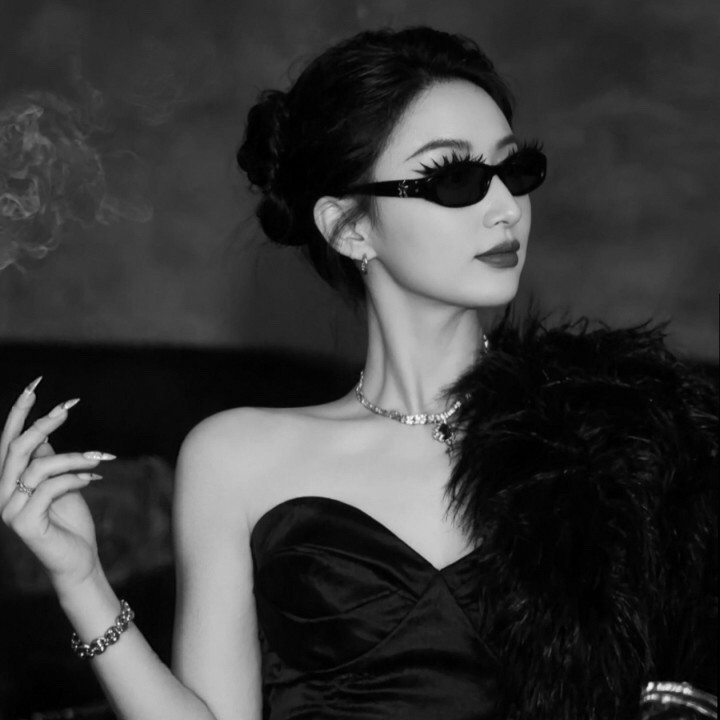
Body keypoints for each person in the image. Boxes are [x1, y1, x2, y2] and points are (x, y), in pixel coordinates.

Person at [0, 26, 716, 720]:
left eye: (515, 170)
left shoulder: (607, 441)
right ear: (349, 227)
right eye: (455, 178)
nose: (506, 208)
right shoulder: (235, 457)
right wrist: (81, 580)